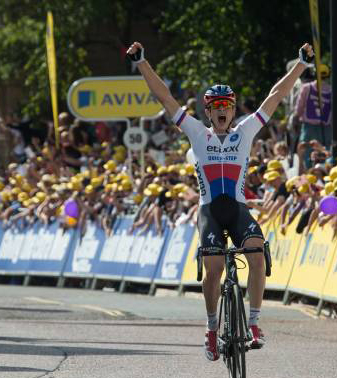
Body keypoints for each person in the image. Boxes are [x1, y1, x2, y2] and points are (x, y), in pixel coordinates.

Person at [127, 40, 315, 361]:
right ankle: (212, 329)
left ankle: (254, 323)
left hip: (238, 209)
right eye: (217, 108)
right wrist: (142, 62)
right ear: (209, 112)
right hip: (210, 211)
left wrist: (300, 64)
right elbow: (165, 97)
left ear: (232, 109)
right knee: (213, 267)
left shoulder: (245, 131)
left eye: (227, 107)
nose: (223, 112)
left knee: (257, 253)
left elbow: (275, 97)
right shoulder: (198, 133)